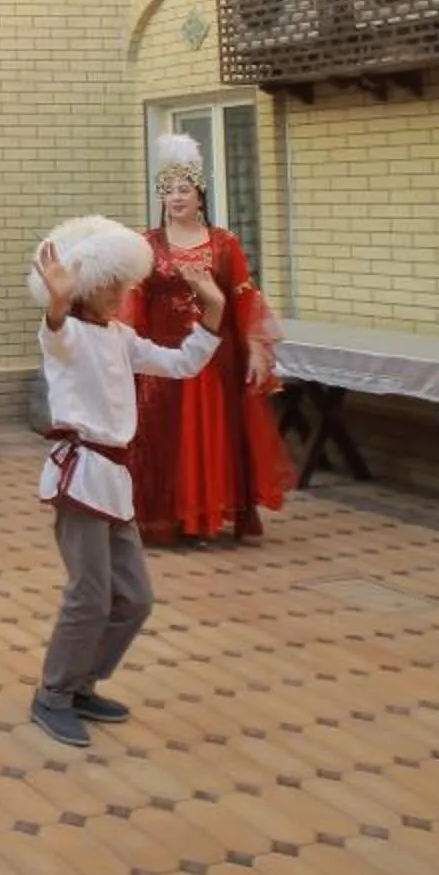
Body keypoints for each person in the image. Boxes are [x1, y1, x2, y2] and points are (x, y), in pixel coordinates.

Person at [28, 217, 228, 748]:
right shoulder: (66, 334)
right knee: (90, 596)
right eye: (111, 284)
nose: (122, 293)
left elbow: (181, 363)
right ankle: (53, 694)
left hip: (114, 479)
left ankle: (80, 684)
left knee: (135, 598)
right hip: (82, 475)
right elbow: (55, 334)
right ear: (87, 286)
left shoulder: (120, 337)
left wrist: (213, 311)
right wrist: (57, 302)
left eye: (123, 282)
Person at [126, 134, 290, 545]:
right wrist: (125, 347)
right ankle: (173, 518)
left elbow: (244, 295)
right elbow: (133, 299)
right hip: (164, 357)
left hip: (217, 358)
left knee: (215, 432)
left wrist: (255, 347)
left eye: (183, 190)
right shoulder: (147, 244)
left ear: (200, 195)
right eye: (167, 191)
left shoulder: (224, 243)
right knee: (166, 434)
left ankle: (211, 514)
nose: (175, 198)